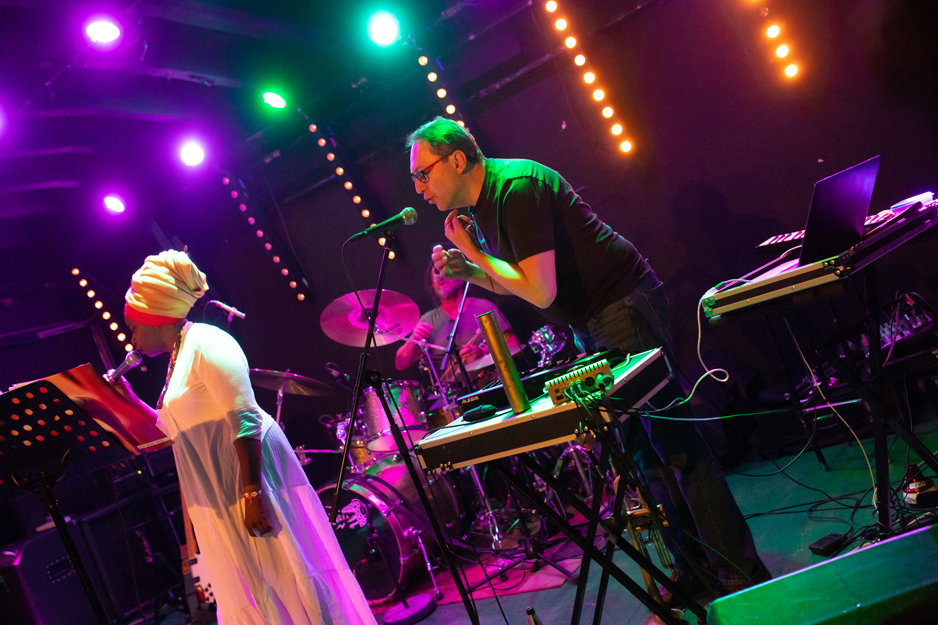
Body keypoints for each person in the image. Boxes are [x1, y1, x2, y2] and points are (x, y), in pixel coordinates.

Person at [405, 116, 771, 597]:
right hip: (590, 320)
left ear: (456, 159)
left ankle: (741, 575)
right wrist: (473, 272)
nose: (419, 188)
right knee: (641, 455)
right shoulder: (485, 204)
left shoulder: (516, 188)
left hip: (622, 304)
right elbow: (520, 283)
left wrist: (473, 253)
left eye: (422, 174)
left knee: (675, 444)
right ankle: (694, 575)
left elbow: (539, 291)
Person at [110, 250, 376, 625]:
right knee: (257, 588)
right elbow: (172, 433)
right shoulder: (179, 357)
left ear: (154, 315)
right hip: (222, 485)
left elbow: (245, 418)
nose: (130, 335)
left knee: (287, 572)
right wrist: (126, 401)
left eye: (132, 324)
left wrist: (253, 494)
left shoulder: (207, 344)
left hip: (249, 479)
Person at [395, 252, 519, 392]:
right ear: (432, 286)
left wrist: (483, 352)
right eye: (436, 275)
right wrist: (413, 339)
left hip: (493, 389)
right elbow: (400, 364)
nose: (440, 277)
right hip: (455, 398)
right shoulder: (428, 320)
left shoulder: (484, 307)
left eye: (445, 272)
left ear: (460, 279)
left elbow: (514, 346)